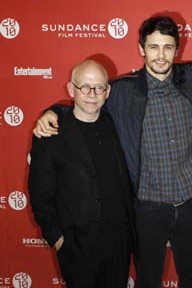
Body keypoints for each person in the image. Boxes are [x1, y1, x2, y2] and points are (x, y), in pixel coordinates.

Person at [32, 13, 192, 288]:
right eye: (154, 47)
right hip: (146, 210)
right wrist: (54, 112)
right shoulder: (122, 92)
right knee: (148, 281)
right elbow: (86, 103)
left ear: (176, 49)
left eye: (168, 47)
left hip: (191, 207)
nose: (161, 55)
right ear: (141, 49)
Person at [28, 60, 134, 288]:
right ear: (70, 89)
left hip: (118, 243)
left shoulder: (115, 121)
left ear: (108, 92)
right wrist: (57, 239)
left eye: (98, 88)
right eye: (84, 87)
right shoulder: (50, 133)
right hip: (77, 246)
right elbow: (40, 195)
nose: (92, 94)